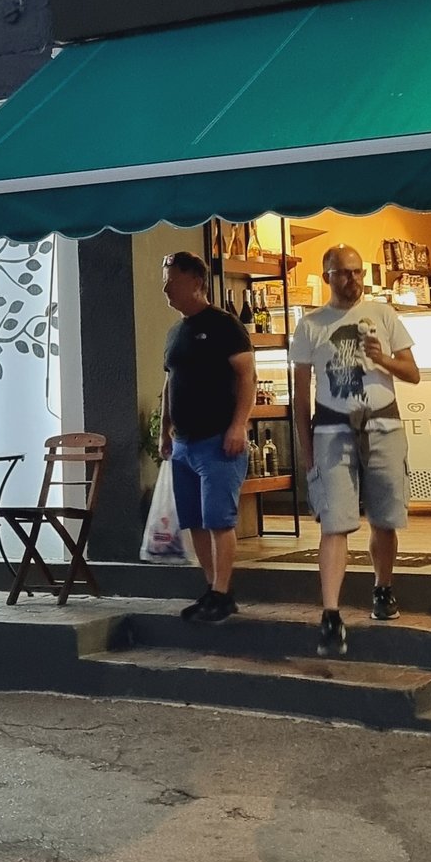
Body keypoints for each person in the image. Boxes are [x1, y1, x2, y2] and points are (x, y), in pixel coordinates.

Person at [291, 244, 420, 658]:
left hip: (383, 424)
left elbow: (413, 373)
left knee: (385, 517)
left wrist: (383, 359)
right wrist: (307, 451)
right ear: (327, 276)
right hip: (331, 429)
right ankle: (330, 612)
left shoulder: (383, 314)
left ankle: (383, 587)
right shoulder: (310, 325)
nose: (353, 280)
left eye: (358, 272)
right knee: (334, 521)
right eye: (344, 272)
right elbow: (300, 396)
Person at [157, 250, 255, 622]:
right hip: (183, 443)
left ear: (196, 281)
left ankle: (223, 593)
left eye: (172, 280)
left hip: (218, 441)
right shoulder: (174, 333)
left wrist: (238, 425)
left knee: (218, 519)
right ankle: (213, 587)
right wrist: (165, 430)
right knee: (194, 520)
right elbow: (169, 382)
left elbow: (247, 376)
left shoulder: (224, 326)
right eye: (164, 280)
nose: (165, 288)